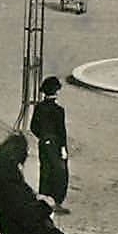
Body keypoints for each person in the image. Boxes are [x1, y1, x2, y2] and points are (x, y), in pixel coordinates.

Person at [30, 76, 70, 212]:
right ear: (56, 92)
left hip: (43, 143)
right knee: (59, 173)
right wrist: (63, 147)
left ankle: (43, 199)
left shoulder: (39, 108)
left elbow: (33, 127)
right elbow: (61, 131)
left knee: (45, 171)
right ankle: (55, 201)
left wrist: (43, 137)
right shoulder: (58, 110)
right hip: (55, 143)